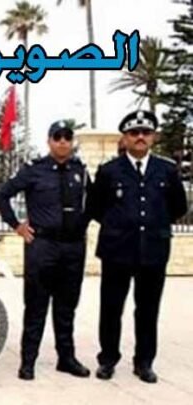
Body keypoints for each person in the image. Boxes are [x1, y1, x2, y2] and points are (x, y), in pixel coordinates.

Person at [88, 110, 188, 383]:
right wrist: (120, 224)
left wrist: (154, 223)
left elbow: (179, 207)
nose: (140, 137)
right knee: (111, 308)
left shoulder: (167, 170)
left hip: (153, 251)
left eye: (145, 132)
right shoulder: (109, 171)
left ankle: (144, 362)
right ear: (125, 138)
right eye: (134, 133)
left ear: (153, 137)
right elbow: (95, 207)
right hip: (117, 250)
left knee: (147, 310)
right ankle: (108, 359)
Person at [0, 120, 92, 381]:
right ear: (49, 141)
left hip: (73, 247)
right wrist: (16, 225)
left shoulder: (80, 171)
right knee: (36, 306)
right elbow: (2, 195)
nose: (63, 142)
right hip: (42, 246)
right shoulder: (34, 170)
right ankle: (28, 362)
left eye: (67, 137)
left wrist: (82, 225)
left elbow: (93, 203)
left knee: (67, 307)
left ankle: (66, 359)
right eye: (57, 137)